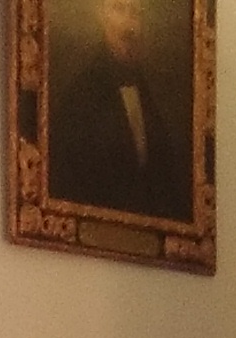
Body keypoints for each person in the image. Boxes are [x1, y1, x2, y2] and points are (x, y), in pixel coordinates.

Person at [46, 0, 192, 222]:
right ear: (101, 15)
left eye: (135, 13)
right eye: (119, 9)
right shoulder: (80, 97)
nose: (129, 25)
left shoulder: (151, 94)